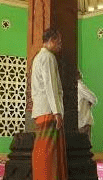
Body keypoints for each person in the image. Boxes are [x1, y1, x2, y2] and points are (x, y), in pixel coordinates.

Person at [31, 28, 67, 180]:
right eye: (58, 42)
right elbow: (50, 86)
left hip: (41, 111)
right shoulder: (48, 57)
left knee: (42, 149)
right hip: (48, 112)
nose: (60, 46)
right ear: (51, 40)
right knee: (48, 153)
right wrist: (57, 111)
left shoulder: (38, 57)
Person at [77, 70, 97, 139]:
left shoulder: (79, 85)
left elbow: (93, 99)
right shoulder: (77, 86)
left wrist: (89, 102)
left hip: (83, 123)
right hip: (80, 123)